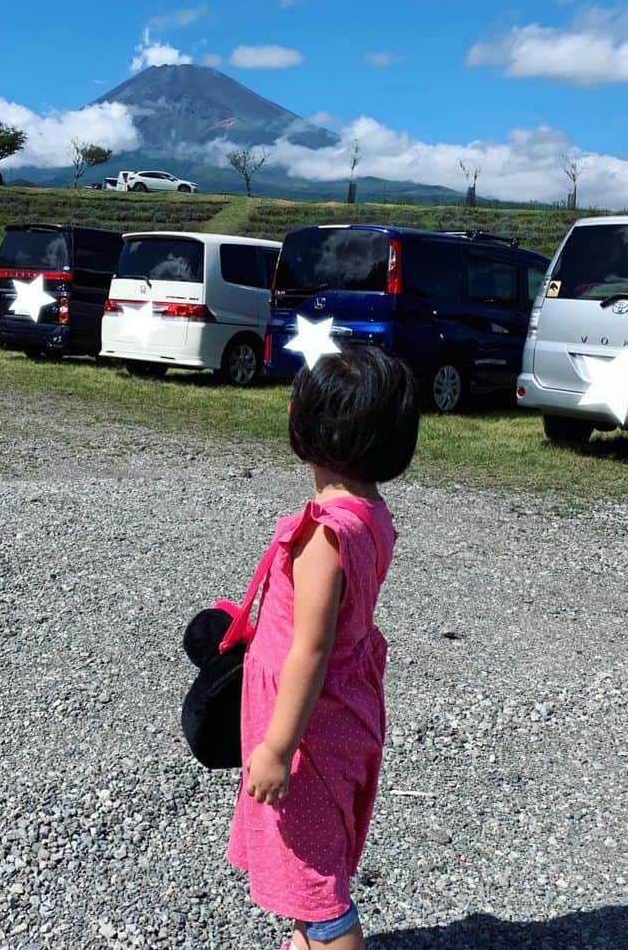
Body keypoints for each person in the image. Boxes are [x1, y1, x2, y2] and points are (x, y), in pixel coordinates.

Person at [227, 344, 420, 950]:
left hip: (308, 726)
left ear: (304, 425)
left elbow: (309, 650)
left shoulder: (323, 535)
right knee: (307, 855)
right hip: (345, 707)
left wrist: (278, 749)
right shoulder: (370, 513)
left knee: (314, 882)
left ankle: (331, 937)